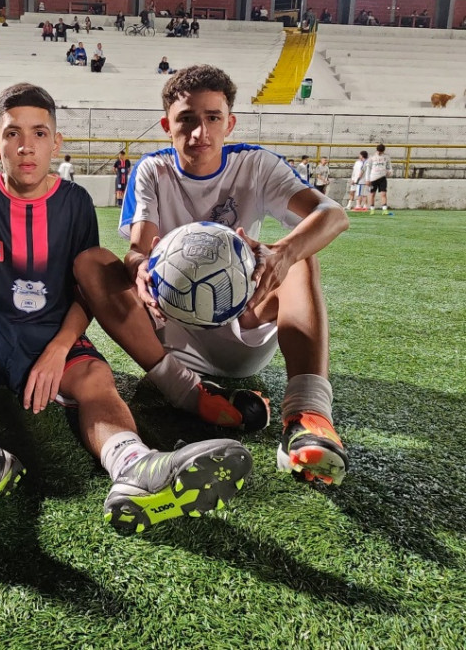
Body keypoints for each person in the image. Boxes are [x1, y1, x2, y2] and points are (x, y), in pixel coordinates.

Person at [0, 82, 252, 534]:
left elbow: (85, 288)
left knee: (94, 378)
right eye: (12, 134)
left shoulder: (74, 202)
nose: (26, 146)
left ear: (56, 143)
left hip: (52, 328)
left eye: (39, 133)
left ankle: (135, 467)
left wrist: (59, 348)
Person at [74, 65, 351, 488]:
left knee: (301, 258)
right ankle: (189, 394)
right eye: (186, 119)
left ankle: (307, 416)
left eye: (212, 118)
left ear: (229, 123)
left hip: (241, 325)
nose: (199, 132)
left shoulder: (255, 165)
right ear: (168, 125)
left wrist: (282, 253)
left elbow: (333, 214)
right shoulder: (152, 170)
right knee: (92, 263)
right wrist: (139, 268)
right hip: (168, 329)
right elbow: (136, 248)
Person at [367, 143, 392, 214]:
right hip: (373, 178)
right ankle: (372, 209)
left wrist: (390, 171)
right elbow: (368, 169)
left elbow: (389, 166)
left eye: (381, 151)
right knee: (372, 194)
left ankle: (384, 209)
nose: (380, 153)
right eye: (379, 151)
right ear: (377, 150)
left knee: (383, 194)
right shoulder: (372, 158)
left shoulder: (386, 157)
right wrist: (367, 179)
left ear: (383, 151)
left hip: (382, 178)